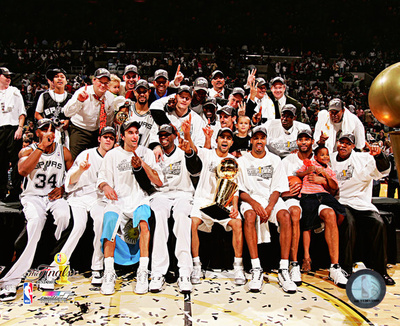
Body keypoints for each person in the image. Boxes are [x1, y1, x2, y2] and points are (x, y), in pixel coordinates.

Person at [0, 119, 73, 302]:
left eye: (51, 129)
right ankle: (11, 279)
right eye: (44, 129)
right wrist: (41, 148)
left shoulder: (63, 151)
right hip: (33, 197)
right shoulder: (28, 150)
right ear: (38, 133)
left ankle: (51, 267)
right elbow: (23, 171)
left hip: (54, 197)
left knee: (65, 217)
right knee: (35, 222)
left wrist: (63, 188)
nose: (48, 132)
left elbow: (73, 178)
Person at [97, 120, 163, 295]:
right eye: (131, 133)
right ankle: (109, 272)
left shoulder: (147, 153)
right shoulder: (112, 155)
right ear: (123, 135)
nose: (135, 136)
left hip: (139, 198)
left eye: (136, 133)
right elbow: (102, 178)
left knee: (143, 223)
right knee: (109, 222)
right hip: (118, 200)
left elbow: (158, 180)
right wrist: (106, 187)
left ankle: (143, 270)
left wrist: (142, 164)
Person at [237, 126, 297, 293]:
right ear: (251, 140)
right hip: (251, 198)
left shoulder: (275, 159)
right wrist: (255, 204)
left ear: (266, 140)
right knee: (249, 216)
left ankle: (284, 269)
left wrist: (270, 207)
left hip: (271, 199)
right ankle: (256, 268)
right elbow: (240, 190)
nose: (259, 141)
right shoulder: (242, 161)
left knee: (285, 215)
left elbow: (278, 188)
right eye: (256, 138)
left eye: (262, 138)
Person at [331, 135, 395, 285]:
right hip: (341, 202)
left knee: (378, 223)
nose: (343, 146)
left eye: (348, 143)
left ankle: (380, 271)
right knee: (349, 222)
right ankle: (345, 269)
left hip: (361, 203)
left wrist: (379, 155)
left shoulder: (363, 158)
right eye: (341, 142)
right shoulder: (331, 158)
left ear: (353, 146)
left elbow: (384, 170)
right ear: (337, 143)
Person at [61, 126, 116, 287]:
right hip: (79, 196)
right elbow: (70, 181)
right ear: (99, 139)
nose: (108, 140)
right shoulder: (86, 154)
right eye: (105, 137)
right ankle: (59, 265)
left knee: (100, 221)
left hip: (98, 199)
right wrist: (80, 169)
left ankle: (97, 267)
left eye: (111, 138)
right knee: (79, 225)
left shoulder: (113, 158)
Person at [190, 128, 245, 286]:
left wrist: (235, 207)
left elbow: (235, 187)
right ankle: (196, 266)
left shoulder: (234, 162)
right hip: (203, 200)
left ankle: (238, 267)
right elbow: (192, 148)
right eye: (222, 137)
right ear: (217, 140)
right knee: (193, 222)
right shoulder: (207, 154)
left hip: (223, 203)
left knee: (237, 223)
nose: (225, 140)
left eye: (228, 138)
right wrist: (187, 134)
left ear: (232, 142)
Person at [149, 124, 196, 293]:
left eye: (167, 134)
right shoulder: (153, 154)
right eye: (161, 134)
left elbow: (196, 167)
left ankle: (184, 271)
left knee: (182, 217)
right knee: (159, 214)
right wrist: (153, 148)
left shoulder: (183, 150)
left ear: (174, 136)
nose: (164, 137)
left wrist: (189, 153)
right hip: (161, 194)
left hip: (183, 193)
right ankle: (157, 272)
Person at [296, 145, 346, 279]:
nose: (325, 157)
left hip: (323, 195)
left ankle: (335, 264)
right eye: (322, 155)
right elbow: (298, 174)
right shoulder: (309, 164)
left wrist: (324, 177)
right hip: (308, 195)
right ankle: (306, 257)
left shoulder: (329, 170)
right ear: (316, 157)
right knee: (307, 225)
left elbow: (334, 186)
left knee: (341, 212)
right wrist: (307, 172)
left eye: (327, 155)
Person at [63, 68, 115, 159]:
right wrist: (79, 101)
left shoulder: (110, 97)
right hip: (80, 130)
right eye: (100, 81)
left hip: (97, 132)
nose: (103, 85)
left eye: (106, 83)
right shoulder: (82, 92)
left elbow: (109, 119)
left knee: (97, 159)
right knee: (75, 159)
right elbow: (67, 112)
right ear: (94, 80)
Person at [0, 67, 26, 202]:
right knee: (1, 162)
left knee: (15, 162)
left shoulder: (14, 91)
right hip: (0, 129)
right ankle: (1, 192)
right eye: (6, 76)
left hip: (12, 129)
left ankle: (15, 192)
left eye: (10, 76)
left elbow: (22, 112)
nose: (8, 78)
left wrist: (20, 128)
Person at [35, 67, 71, 149]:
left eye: (62, 77)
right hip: (49, 131)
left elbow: (74, 116)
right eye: (56, 77)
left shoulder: (70, 97)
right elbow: (37, 114)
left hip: (65, 133)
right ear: (52, 81)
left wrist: (68, 121)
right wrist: (47, 122)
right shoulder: (45, 96)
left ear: (66, 81)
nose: (59, 79)